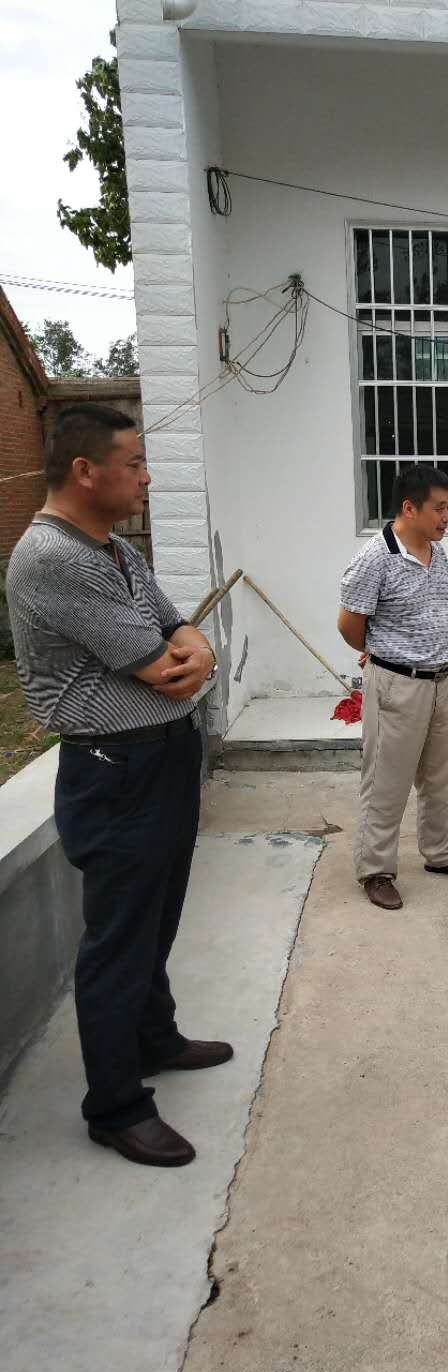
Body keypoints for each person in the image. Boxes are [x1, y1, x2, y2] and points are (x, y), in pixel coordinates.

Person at [5, 405, 231, 1168]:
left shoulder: (116, 552)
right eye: (134, 463)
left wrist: (197, 651)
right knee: (118, 941)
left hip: (160, 760)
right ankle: (115, 1106)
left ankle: (155, 1038)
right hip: (116, 770)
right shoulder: (54, 559)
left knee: (156, 919)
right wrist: (188, 657)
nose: (146, 477)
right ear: (85, 471)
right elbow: (164, 667)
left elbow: (181, 629)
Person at [338, 465, 448, 911]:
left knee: (439, 776)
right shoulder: (375, 558)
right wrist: (379, 652)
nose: (447, 518)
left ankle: (440, 853)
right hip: (396, 685)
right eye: (439, 508)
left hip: (440, 680)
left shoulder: (438, 554)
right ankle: (376, 869)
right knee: (387, 780)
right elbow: (349, 624)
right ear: (409, 508)